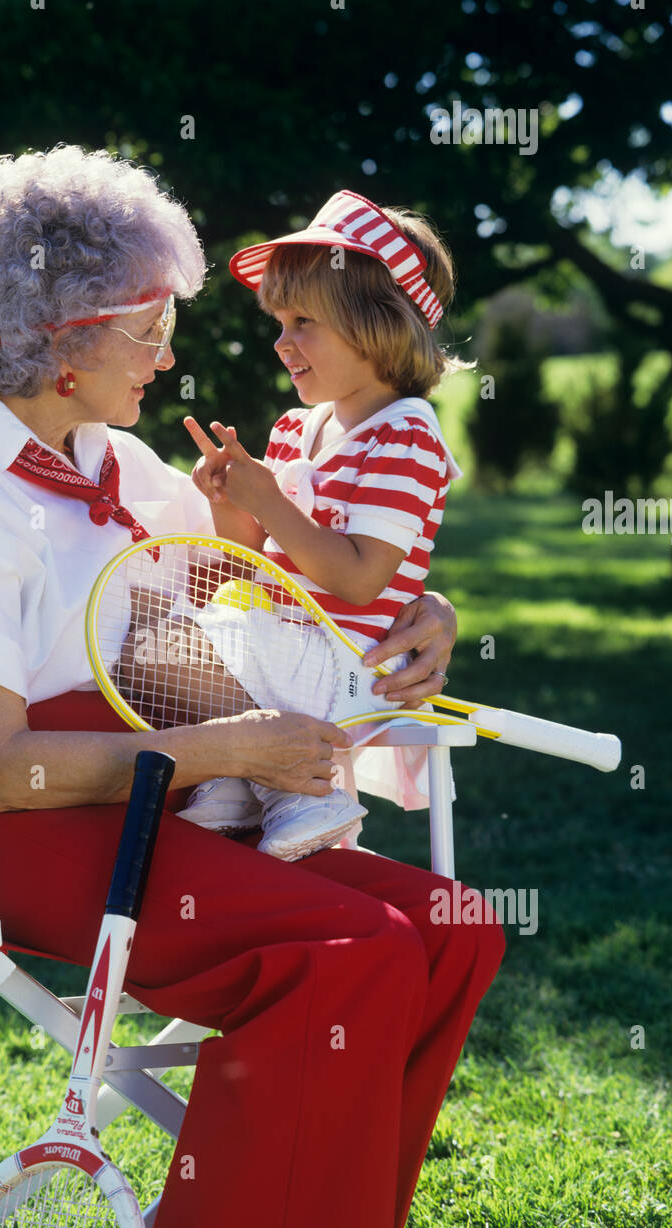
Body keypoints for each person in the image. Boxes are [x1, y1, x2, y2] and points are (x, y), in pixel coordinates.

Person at [0, 145, 503, 1228]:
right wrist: (225, 752)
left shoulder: (118, 465)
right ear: (67, 343)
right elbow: (1, 773)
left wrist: (429, 606)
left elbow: (289, 579)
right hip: (17, 826)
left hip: (161, 795)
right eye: (149, 328)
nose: (171, 354)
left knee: (457, 929)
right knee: (346, 953)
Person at [177, 190, 471, 861]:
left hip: (349, 664)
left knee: (198, 634)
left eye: (303, 321)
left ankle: (304, 794)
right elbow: (245, 560)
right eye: (277, 323)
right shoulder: (291, 429)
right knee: (186, 627)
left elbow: (359, 578)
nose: (283, 342)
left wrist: (269, 498)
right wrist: (232, 501)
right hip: (293, 645)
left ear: (376, 324)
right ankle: (238, 776)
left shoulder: (404, 433)